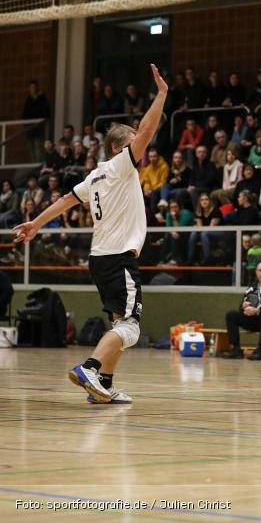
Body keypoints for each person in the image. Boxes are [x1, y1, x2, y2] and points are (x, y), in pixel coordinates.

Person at [13, 63, 168, 404]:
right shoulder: (119, 167)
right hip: (118, 257)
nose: (138, 149)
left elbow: (67, 199)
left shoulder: (95, 176)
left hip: (100, 258)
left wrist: (36, 224)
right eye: (131, 144)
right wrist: (161, 95)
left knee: (118, 324)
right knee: (130, 327)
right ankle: (90, 368)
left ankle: (104, 386)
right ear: (118, 148)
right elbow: (146, 130)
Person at [221, 261, 261, 359]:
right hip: (254, 321)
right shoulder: (252, 286)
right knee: (231, 314)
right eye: (260, 270)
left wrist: (258, 310)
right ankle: (236, 349)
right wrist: (244, 306)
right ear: (256, 272)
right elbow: (241, 307)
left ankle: (259, 350)